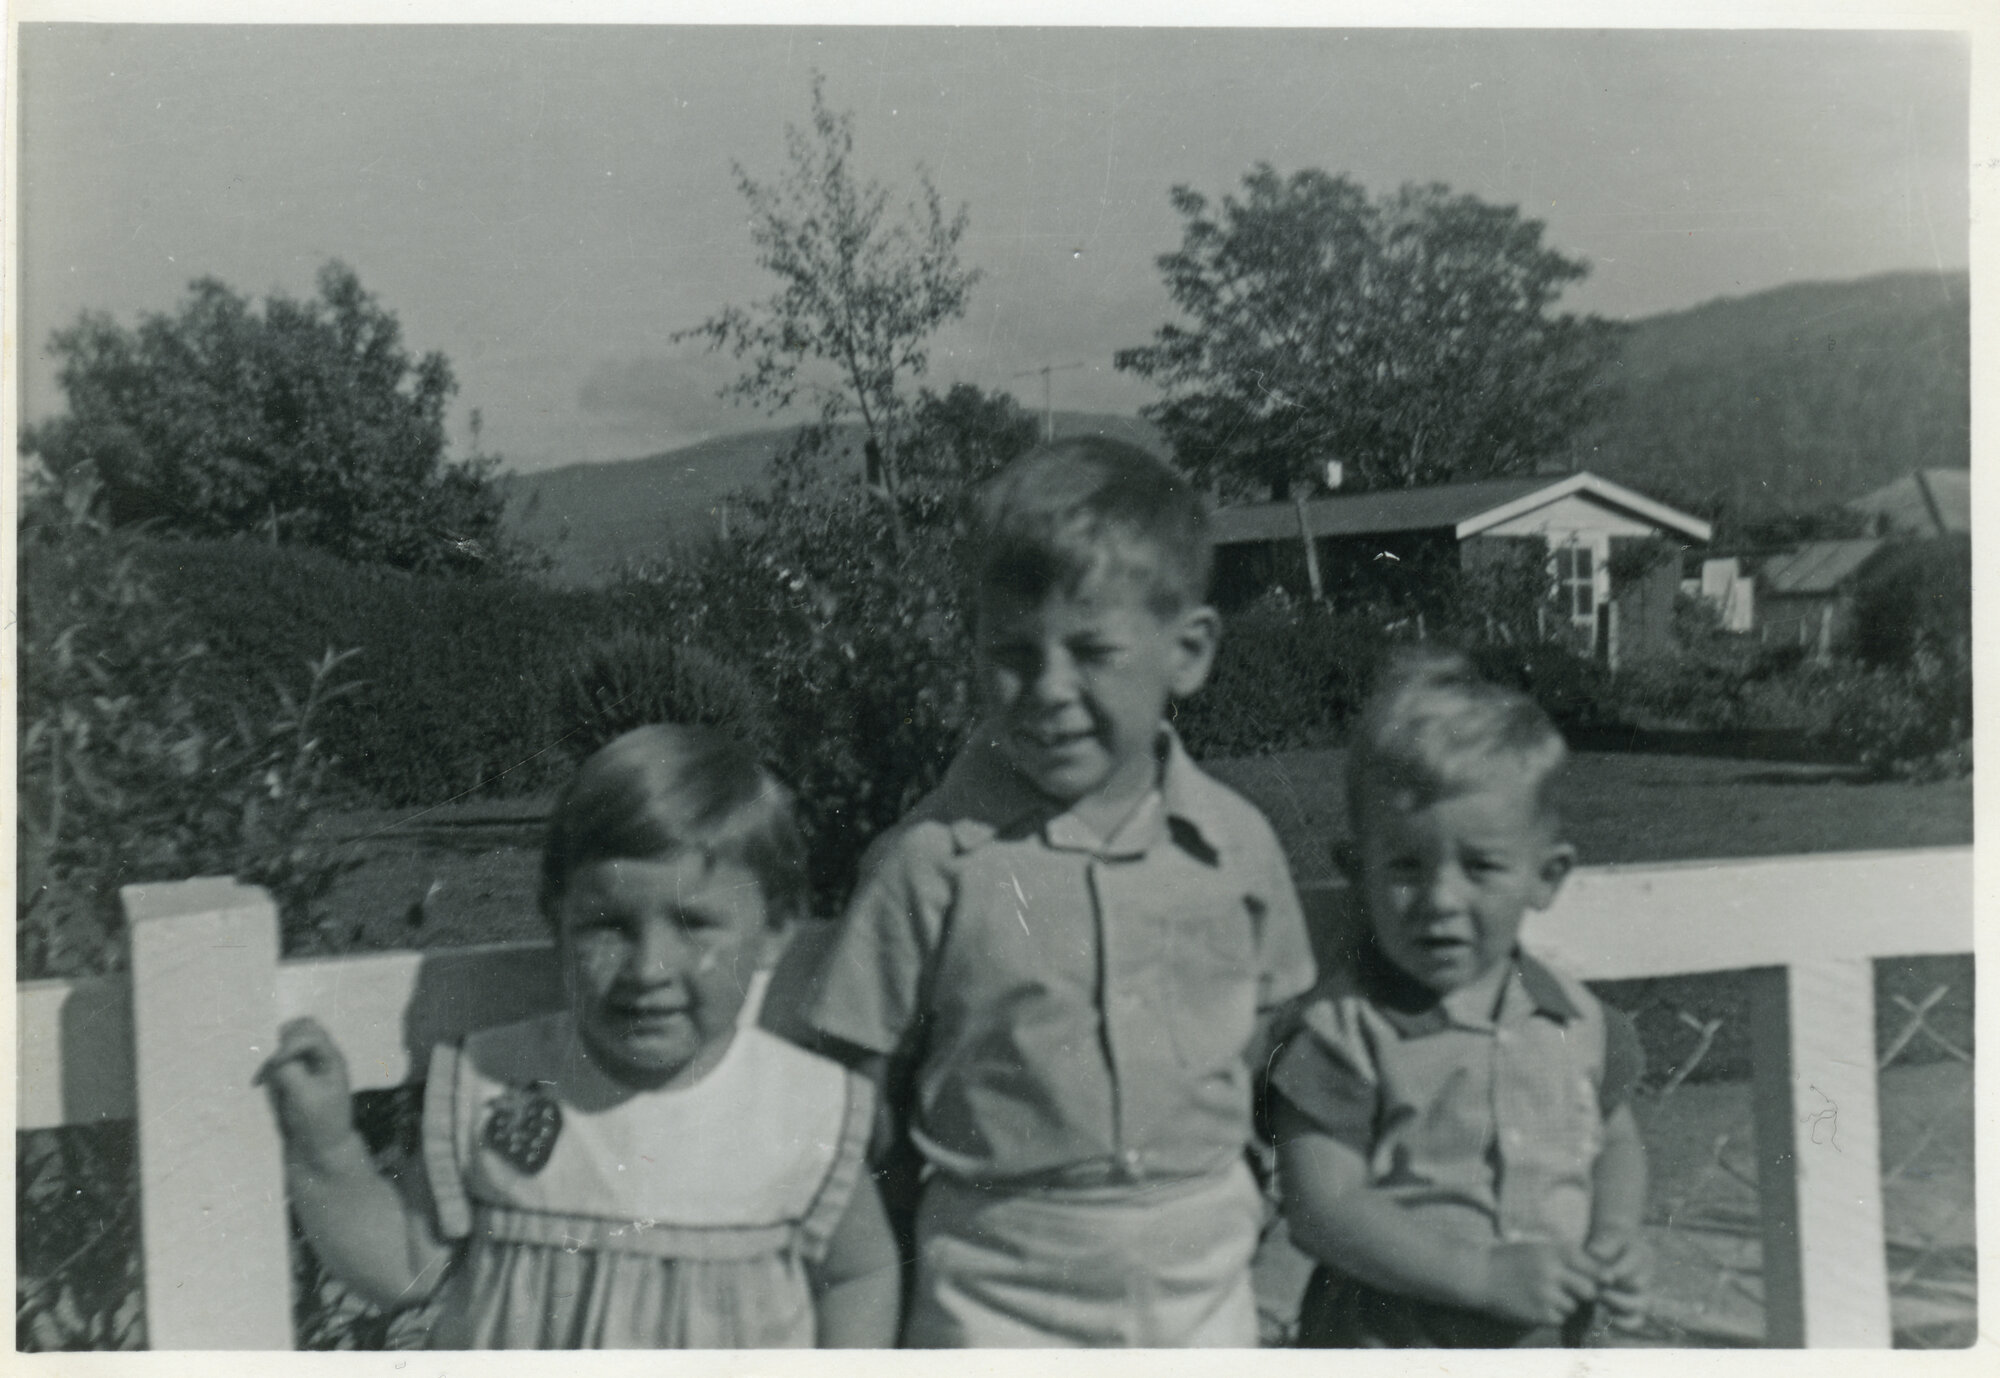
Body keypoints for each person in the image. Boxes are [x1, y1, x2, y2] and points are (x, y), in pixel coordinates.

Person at [803, 437, 1317, 1347]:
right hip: (997, 1280)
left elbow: (1265, 1032)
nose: (1048, 689)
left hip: (1199, 1269)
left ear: (1188, 652)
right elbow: (852, 1092)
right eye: (1012, 652)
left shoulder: (1235, 846)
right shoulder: (930, 861)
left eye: (1092, 651)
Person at [257, 725, 900, 1349]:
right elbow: (406, 1263)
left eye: (694, 924)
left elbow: (860, 1273)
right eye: (609, 926)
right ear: (555, 920)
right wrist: (327, 1151)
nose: (649, 969)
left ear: (776, 931)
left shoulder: (801, 1107)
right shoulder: (498, 1078)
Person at [1269, 649, 1651, 1348]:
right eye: (1407, 866)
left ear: (1547, 875)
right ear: (1359, 873)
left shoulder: (1575, 1018)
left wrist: (1616, 1234)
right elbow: (1321, 1204)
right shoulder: (1343, 1031)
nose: (1441, 900)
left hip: (1547, 1340)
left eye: (1481, 866)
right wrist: (1479, 1275)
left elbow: (1615, 1142)